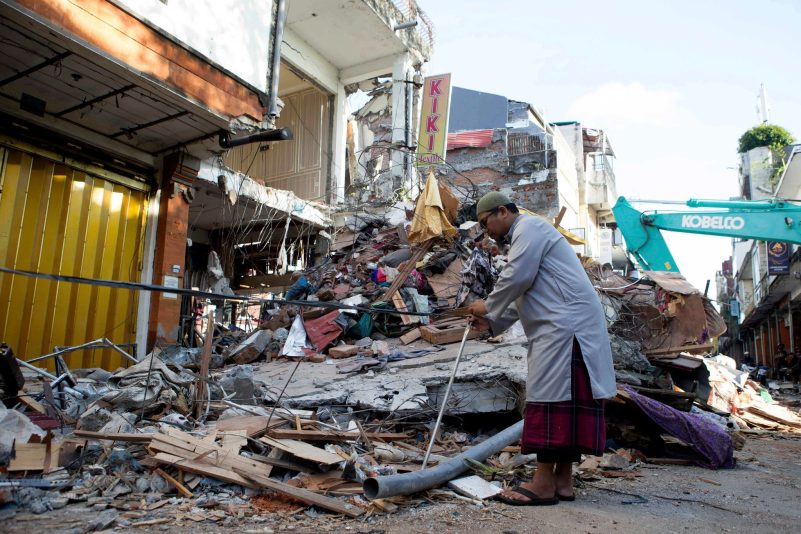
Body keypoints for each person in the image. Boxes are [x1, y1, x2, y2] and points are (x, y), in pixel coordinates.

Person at [468, 192, 616, 506]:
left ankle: (543, 483)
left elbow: (517, 277)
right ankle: (562, 480)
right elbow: (523, 292)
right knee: (569, 400)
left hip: (566, 327)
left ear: (503, 212)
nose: (486, 231)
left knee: (553, 400)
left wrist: (487, 305)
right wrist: (491, 323)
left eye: (485, 222)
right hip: (567, 324)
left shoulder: (529, 228)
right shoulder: (528, 236)